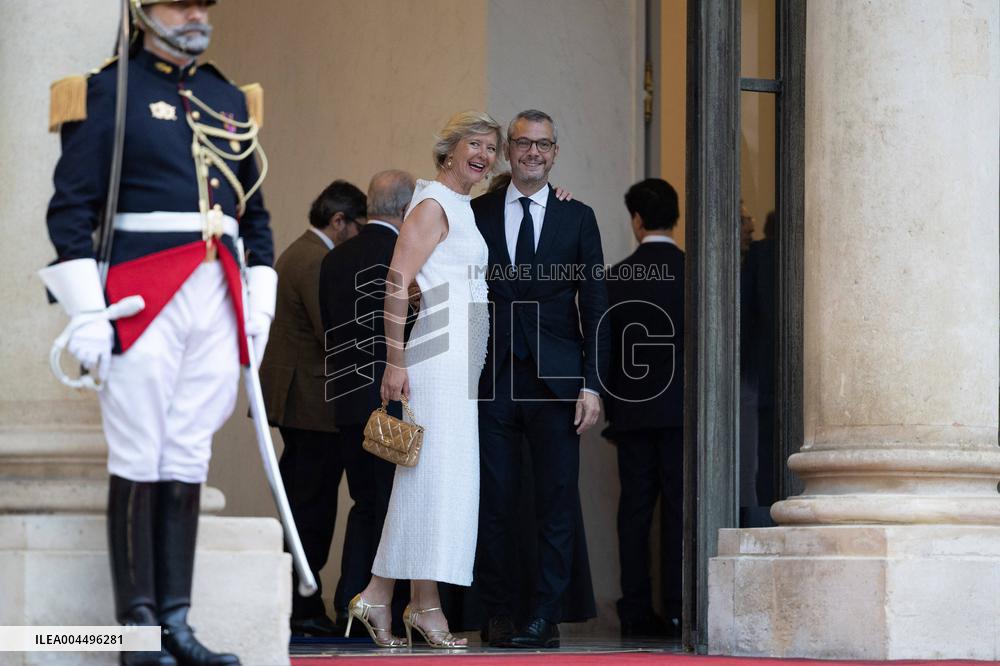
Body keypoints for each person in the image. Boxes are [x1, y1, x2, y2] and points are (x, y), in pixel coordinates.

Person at [40, 1, 273, 664]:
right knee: (139, 451)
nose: (195, 14)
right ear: (143, 11)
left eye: (203, 3)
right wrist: (87, 310)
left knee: (188, 452)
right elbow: (71, 210)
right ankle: (136, 633)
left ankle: (177, 624)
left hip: (217, 291)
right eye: (179, 2)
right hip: (142, 292)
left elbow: (255, 216)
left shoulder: (229, 97)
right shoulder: (107, 90)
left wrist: (258, 306)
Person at [345, 112, 500, 649]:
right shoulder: (433, 203)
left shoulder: (460, 205)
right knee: (432, 482)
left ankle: (399, 599)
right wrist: (395, 361)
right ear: (449, 150)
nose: (484, 155)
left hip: (460, 365)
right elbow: (395, 283)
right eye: (474, 144)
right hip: (436, 363)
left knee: (438, 485)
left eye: (491, 147)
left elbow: (433, 281)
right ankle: (407, 603)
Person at [473, 109, 609, 649]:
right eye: (524, 143)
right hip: (491, 378)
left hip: (557, 382)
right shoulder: (476, 212)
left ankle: (545, 615)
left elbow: (595, 306)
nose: (534, 152)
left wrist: (592, 384)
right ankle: (499, 611)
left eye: (544, 144)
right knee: (494, 501)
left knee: (555, 502)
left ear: (555, 153)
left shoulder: (578, 217)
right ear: (508, 150)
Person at [259, 179, 365, 636]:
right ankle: (303, 607)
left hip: (302, 401)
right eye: (358, 227)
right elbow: (333, 331)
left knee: (303, 503)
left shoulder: (300, 252)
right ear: (339, 221)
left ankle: (299, 603)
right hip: (313, 405)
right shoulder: (316, 260)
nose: (357, 238)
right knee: (312, 508)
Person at [318, 170, 415, 631]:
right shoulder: (401, 255)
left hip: (345, 401)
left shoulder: (334, 258)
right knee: (392, 505)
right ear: (405, 209)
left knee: (363, 503)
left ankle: (348, 604)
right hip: (389, 398)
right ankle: (385, 606)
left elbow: (329, 328)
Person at [602, 178, 685, 639]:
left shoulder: (616, 277)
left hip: (633, 415)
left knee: (633, 513)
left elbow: (605, 351)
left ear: (636, 220)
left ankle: (634, 610)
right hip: (682, 416)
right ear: (675, 217)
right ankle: (677, 609)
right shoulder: (693, 272)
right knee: (678, 511)